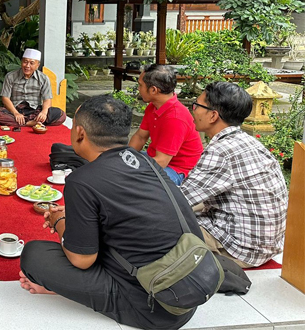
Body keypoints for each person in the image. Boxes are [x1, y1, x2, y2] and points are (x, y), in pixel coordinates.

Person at [19, 95, 202, 329]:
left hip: (155, 309)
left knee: (34, 254)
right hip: (189, 288)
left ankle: (71, 290)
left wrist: (60, 220)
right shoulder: (147, 162)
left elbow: (82, 260)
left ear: (80, 133)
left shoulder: (81, 180)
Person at [180, 82, 288, 268]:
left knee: (160, 224)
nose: (193, 111)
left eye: (196, 105)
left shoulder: (221, 150)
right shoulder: (246, 141)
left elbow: (179, 199)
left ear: (213, 115)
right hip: (265, 243)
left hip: (241, 249)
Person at [128, 64, 203, 185]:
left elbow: (161, 162)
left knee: (135, 182)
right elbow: (140, 137)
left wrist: (128, 169)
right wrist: (126, 157)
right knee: (116, 161)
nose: (138, 88)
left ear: (153, 90)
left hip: (179, 170)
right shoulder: (153, 107)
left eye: (140, 85)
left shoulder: (175, 118)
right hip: (156, 158)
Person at [0, 48, 66, 127]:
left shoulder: (43, 78)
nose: (27, 66)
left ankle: (24, 122)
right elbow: (5, 98)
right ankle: (30, 123)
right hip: (15, 110)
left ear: (37, 65)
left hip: (35, 111)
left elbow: (47, 99)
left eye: (32, 63)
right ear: (21, 62)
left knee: (61, 115)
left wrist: (44, 112)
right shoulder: (10, 76)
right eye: (25, 62)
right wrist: (16, 113)